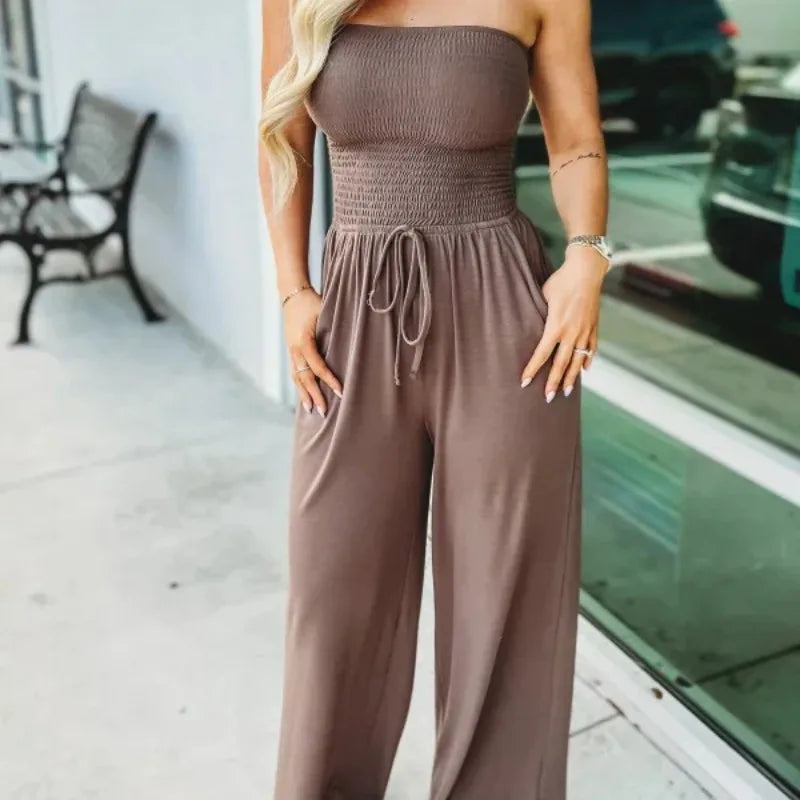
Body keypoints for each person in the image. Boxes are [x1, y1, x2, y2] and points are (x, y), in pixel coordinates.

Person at [258, 0, 609, 796]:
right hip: (351, 316)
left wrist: (587, 255)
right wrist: (292, 289)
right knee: (333, 597)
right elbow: (283, 138)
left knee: (507, 603)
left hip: (504, 316)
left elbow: (576, 138)